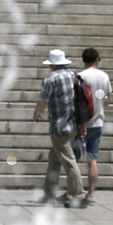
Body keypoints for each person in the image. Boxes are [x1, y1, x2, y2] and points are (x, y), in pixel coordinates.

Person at [33, 49, 86, 208]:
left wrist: (37, 113)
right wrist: (83, 125)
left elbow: (43, 100)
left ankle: (78, 196)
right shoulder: (74, 76)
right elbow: (81, 102)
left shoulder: (51, 79)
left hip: (59, 127)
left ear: (52, 65)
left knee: (69, 162)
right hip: (73, 125)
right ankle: (49, 194)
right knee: (54, 160)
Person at [76, 47, 111, 206]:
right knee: (92, 159)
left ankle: (72, 190)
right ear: (97, 59)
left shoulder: (80, 77)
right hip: (97, 123)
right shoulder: (104, 76)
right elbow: (107, 100)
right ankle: (90, 194)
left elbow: (76, 101)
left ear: (84, 60)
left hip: (81, 124)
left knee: (74, 159)